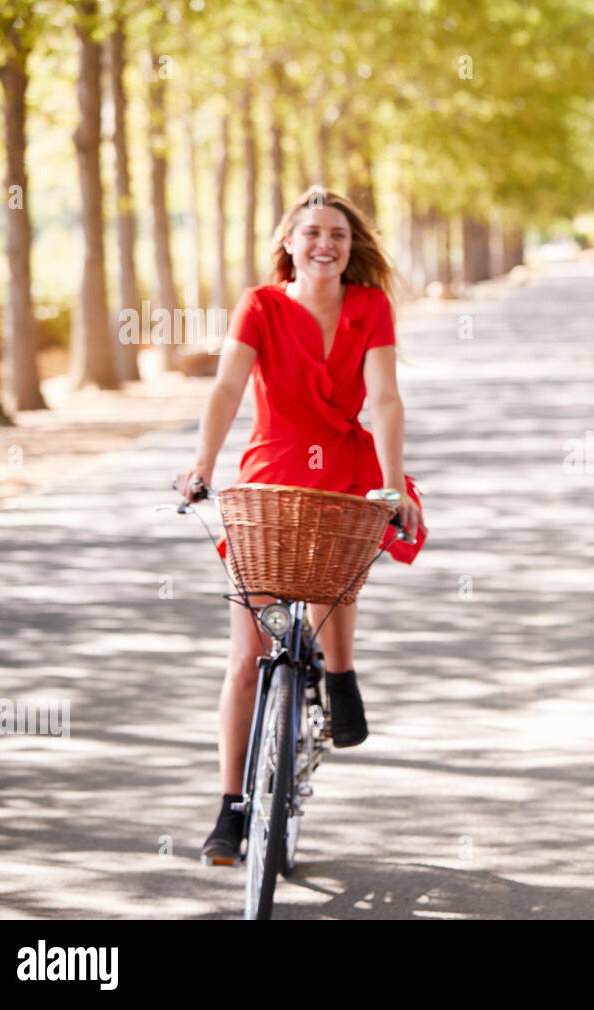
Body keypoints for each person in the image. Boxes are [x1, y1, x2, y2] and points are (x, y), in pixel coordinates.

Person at [175, 187, 426, 866]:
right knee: (248, 655)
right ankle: (231, 806)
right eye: (311, 232)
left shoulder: (370, 307)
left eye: (339, 235)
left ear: (352, 248)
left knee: (336, 566)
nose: (325, 244)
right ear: (287, 242)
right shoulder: (259, 305)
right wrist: (201, 465)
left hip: (345, 463)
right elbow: (228, 388)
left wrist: (395, 484)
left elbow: (386, 397)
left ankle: (339, 675)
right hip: (269, 472)